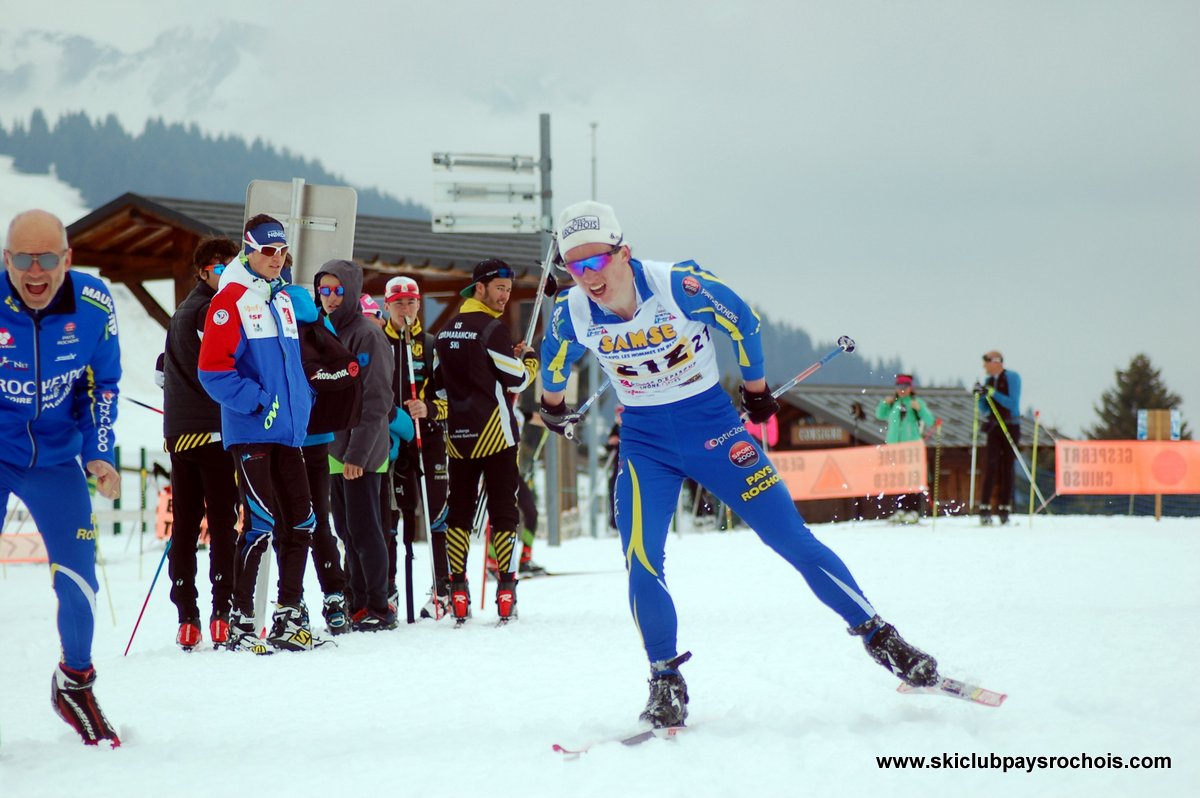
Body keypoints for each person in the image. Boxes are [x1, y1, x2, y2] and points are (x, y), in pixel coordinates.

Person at [538, 200, 940, 729]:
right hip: (645, 444)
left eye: (596, 261)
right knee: (641, 557)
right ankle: (665, 678)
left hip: (715, 431)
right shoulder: (573, 310)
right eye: (575, 266)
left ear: (624, 252)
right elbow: (555, 358)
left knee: (791, 539)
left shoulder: (678, 286)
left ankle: (882, 638)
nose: (588, 276)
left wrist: (755, 393)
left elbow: (744, 321)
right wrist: (552, 407)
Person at [1, 209, 122, 745]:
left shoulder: (95, 305)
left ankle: (74, 683)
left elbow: (104, 385)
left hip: (55, 458)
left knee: (78, 583)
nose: (34, 271)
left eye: (47, 258)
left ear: (67, 260)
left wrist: (100, 453)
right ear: (6, 260)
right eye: (22, 258)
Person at [198, 214, 317, 652]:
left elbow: (292, 364)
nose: (276, 258)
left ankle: (288, 614)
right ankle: (242, 619)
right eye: (268, 251)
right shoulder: (230, 300)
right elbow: (212, 371)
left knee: (302, 521)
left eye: (282, 251)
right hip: (251, 430)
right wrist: (258, 401)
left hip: (288, 432)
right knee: (262, 523)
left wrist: (302, 401)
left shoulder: (281, 299)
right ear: (248, 250)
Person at [433, 259, 538, 624]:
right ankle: (506, 589)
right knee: (503, 511)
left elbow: (438, 386)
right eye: (499, 289)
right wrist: (529, 359)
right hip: (496, 434)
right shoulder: (492, 329)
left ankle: (457, 590)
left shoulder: (445, 331)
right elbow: (518, 380)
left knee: (458, 512)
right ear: (479, 288)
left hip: (458, 437)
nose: (505, 297)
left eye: (508, 291)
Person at [158, 235, 241, 650]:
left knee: (187, 527)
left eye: (231, 265)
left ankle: (186, 617)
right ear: (202, 272)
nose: (226, 273)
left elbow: (163, 368)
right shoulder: (213, 310)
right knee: (222, 524)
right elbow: (228, 364)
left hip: (180, 433)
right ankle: (221, 613)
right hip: (213, 430)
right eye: (219, 267)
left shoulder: (180, 312)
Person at [316, 260, 397, 631]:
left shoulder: (366, 334)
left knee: (366, 531)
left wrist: (358, 454)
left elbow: (377, 399)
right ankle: (358, 601)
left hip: (360, 451)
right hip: (335, 448)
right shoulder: (325, 330)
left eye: (338, 290)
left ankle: (379, 605)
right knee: (347, 531)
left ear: (351, 290)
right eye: (324, 290)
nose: (330, 297)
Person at [381, 275, 452, 619]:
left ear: (419, 304)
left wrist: (430, 409)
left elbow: (450, 399)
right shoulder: (378, 341)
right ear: (387, 306)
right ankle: (389, 586)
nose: (405, 309)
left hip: (430, 439)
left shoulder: (431, 344)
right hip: (392, 440)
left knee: (438, 513)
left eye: (411, 302)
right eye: (398, 303)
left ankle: (444, 586)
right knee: (390, 516)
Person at [874, 373, 935, 523]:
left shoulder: (915, 402)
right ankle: (900, 509)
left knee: (912, 479)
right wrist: (884, 403)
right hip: (894, 448)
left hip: (912, 448)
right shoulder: (893, 404)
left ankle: (913, 510)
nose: (902, 390)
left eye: (905, 387)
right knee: (898, 480)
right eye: (899, 387)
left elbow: (930, 420)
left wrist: (920, 409)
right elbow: (879, 415)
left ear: (910, 388)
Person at [975, 351, 1021, 525]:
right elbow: (985, 409)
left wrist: (992, 392)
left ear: (995, 362)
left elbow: (1012, 402)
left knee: (1007, 466)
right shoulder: (988, 381)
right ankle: (985, 507)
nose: (984, 367)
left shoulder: (1012, 377)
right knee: (991, 465)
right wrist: (981, 395)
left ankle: (1004, 508)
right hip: (994, 426)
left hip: (1010, 424)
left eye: (986, 363)